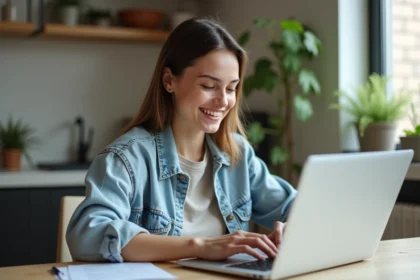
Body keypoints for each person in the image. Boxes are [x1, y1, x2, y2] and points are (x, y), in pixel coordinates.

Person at [66, 17, 297, 263]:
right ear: (169, 81)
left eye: (231, 89)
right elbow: (87, 236)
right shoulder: (126, 158)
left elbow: (299, 207)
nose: (223, 101)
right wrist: (200, 246)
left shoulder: (237, 153)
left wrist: (292, 226)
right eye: (209, 86)